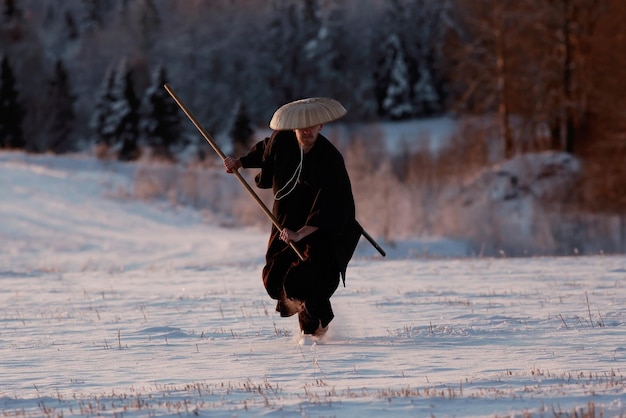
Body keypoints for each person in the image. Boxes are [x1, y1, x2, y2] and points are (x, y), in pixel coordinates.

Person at [223, 97, 362, 336]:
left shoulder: (330, 159)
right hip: (286, 220)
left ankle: (315, 331)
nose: (306, 131)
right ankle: (311, 325)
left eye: (312, 125)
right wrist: (240, 162)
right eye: (301, 126)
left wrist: (302, 232)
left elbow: (330, 203)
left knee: (303, 280)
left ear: (321, 126)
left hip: (322, 230)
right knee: (275, 276)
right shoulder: (282, 140)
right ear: (294, 126)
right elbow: (265, 150)